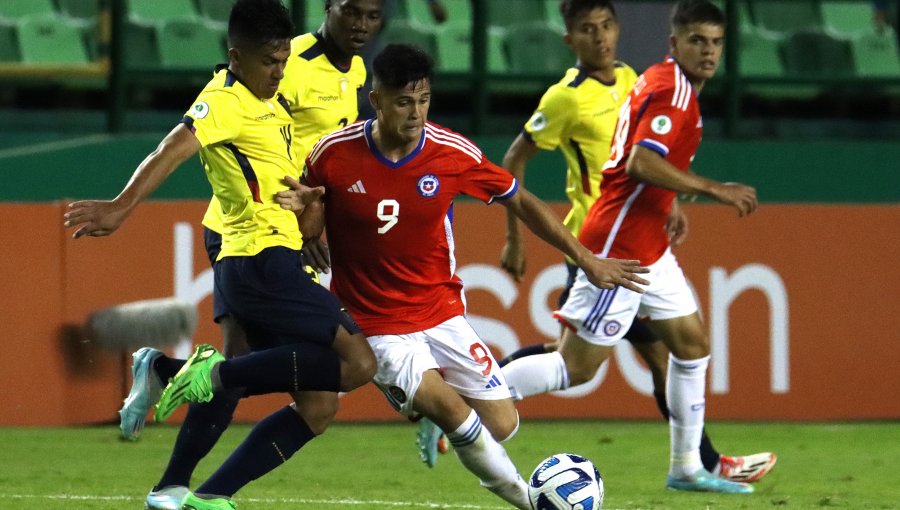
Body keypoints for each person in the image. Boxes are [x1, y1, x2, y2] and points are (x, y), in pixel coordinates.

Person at [278, 43, 649, 509]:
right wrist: (306, 222)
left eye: (423, 100)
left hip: (441, 312)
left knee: (502, 424)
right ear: (376, 100)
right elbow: (311, 209)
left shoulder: (451, 153)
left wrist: (586, 257)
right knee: (456, 414)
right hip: (376, 324)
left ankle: (436, 413)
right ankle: (532, 503)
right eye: (402, 102)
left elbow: (521, 201)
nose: (415, 113)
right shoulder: (333, 152)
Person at [64, 1, 377, 509]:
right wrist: (122, 206)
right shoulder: (226, 100)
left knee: (316, 405)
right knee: (356, 362)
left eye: (282, 62)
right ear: (236, 56)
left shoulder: (274, 102)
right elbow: (174, 145)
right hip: (259, 258)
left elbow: (285, 171)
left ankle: (182, 487)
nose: (279, 72)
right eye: (269, 63)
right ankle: (182, 377)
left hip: (272, 254)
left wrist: (312, 204)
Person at [493, 0, 775, 484]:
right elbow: (640, 163)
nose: (708, 51)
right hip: (619, 248)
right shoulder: (669, 94)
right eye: (698, 41)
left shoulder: (650, 79)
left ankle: (689, 467)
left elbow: (641, 161)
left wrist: (672, 203)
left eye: (716, 42)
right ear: (675, 43)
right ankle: (462, 400)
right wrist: (712, 188)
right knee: (574, 369)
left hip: (648, 244)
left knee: (691, 346)